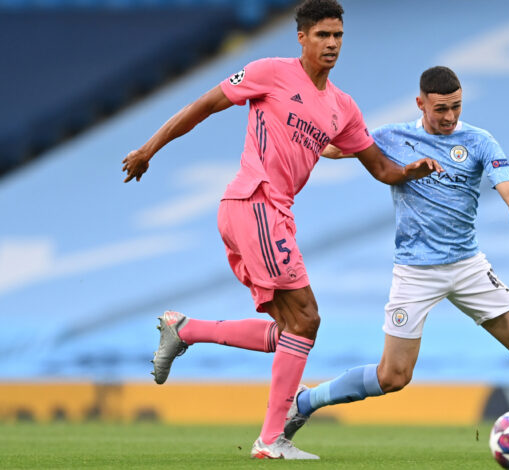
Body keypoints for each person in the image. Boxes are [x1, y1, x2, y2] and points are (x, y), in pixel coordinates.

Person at [121, 0, 441, 460]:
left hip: (271, 212)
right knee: (306, 319)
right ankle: (271, 439)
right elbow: (204, 105)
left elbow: (380, 168)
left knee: (291, 329)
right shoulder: (270, 72)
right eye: (322, 35)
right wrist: (148, 149)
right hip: (254, 201)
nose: (332, 44)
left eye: (338, 36)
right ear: (302, 38)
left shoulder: (342, 108)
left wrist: (410, 171)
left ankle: (185, 329)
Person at [283, 66, 509, 459]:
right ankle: (304, 402)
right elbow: (333, 148)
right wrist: (297, 130)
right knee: (393, 376)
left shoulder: (479, 141)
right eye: (441, 108)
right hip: (415, 271)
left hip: (467, 265)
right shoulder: (392, 137)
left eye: (456, 106)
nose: (450, 116)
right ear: (420, 104)